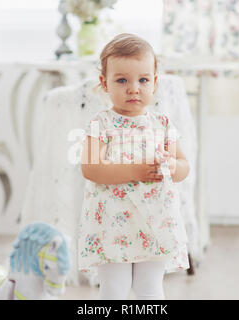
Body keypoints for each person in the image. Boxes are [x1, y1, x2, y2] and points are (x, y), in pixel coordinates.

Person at [78, 33, 190, 300]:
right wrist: (136, 171)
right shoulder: (101, 123)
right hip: (112, 226)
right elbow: (91, 168)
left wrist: (172, 165)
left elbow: (184, 167)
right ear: (104, 83)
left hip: (154, 223)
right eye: (122, 80)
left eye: (143, 80)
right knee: (114, 289)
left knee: (150, 288)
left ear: (154, 82)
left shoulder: (162, 124)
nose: (133, 88)